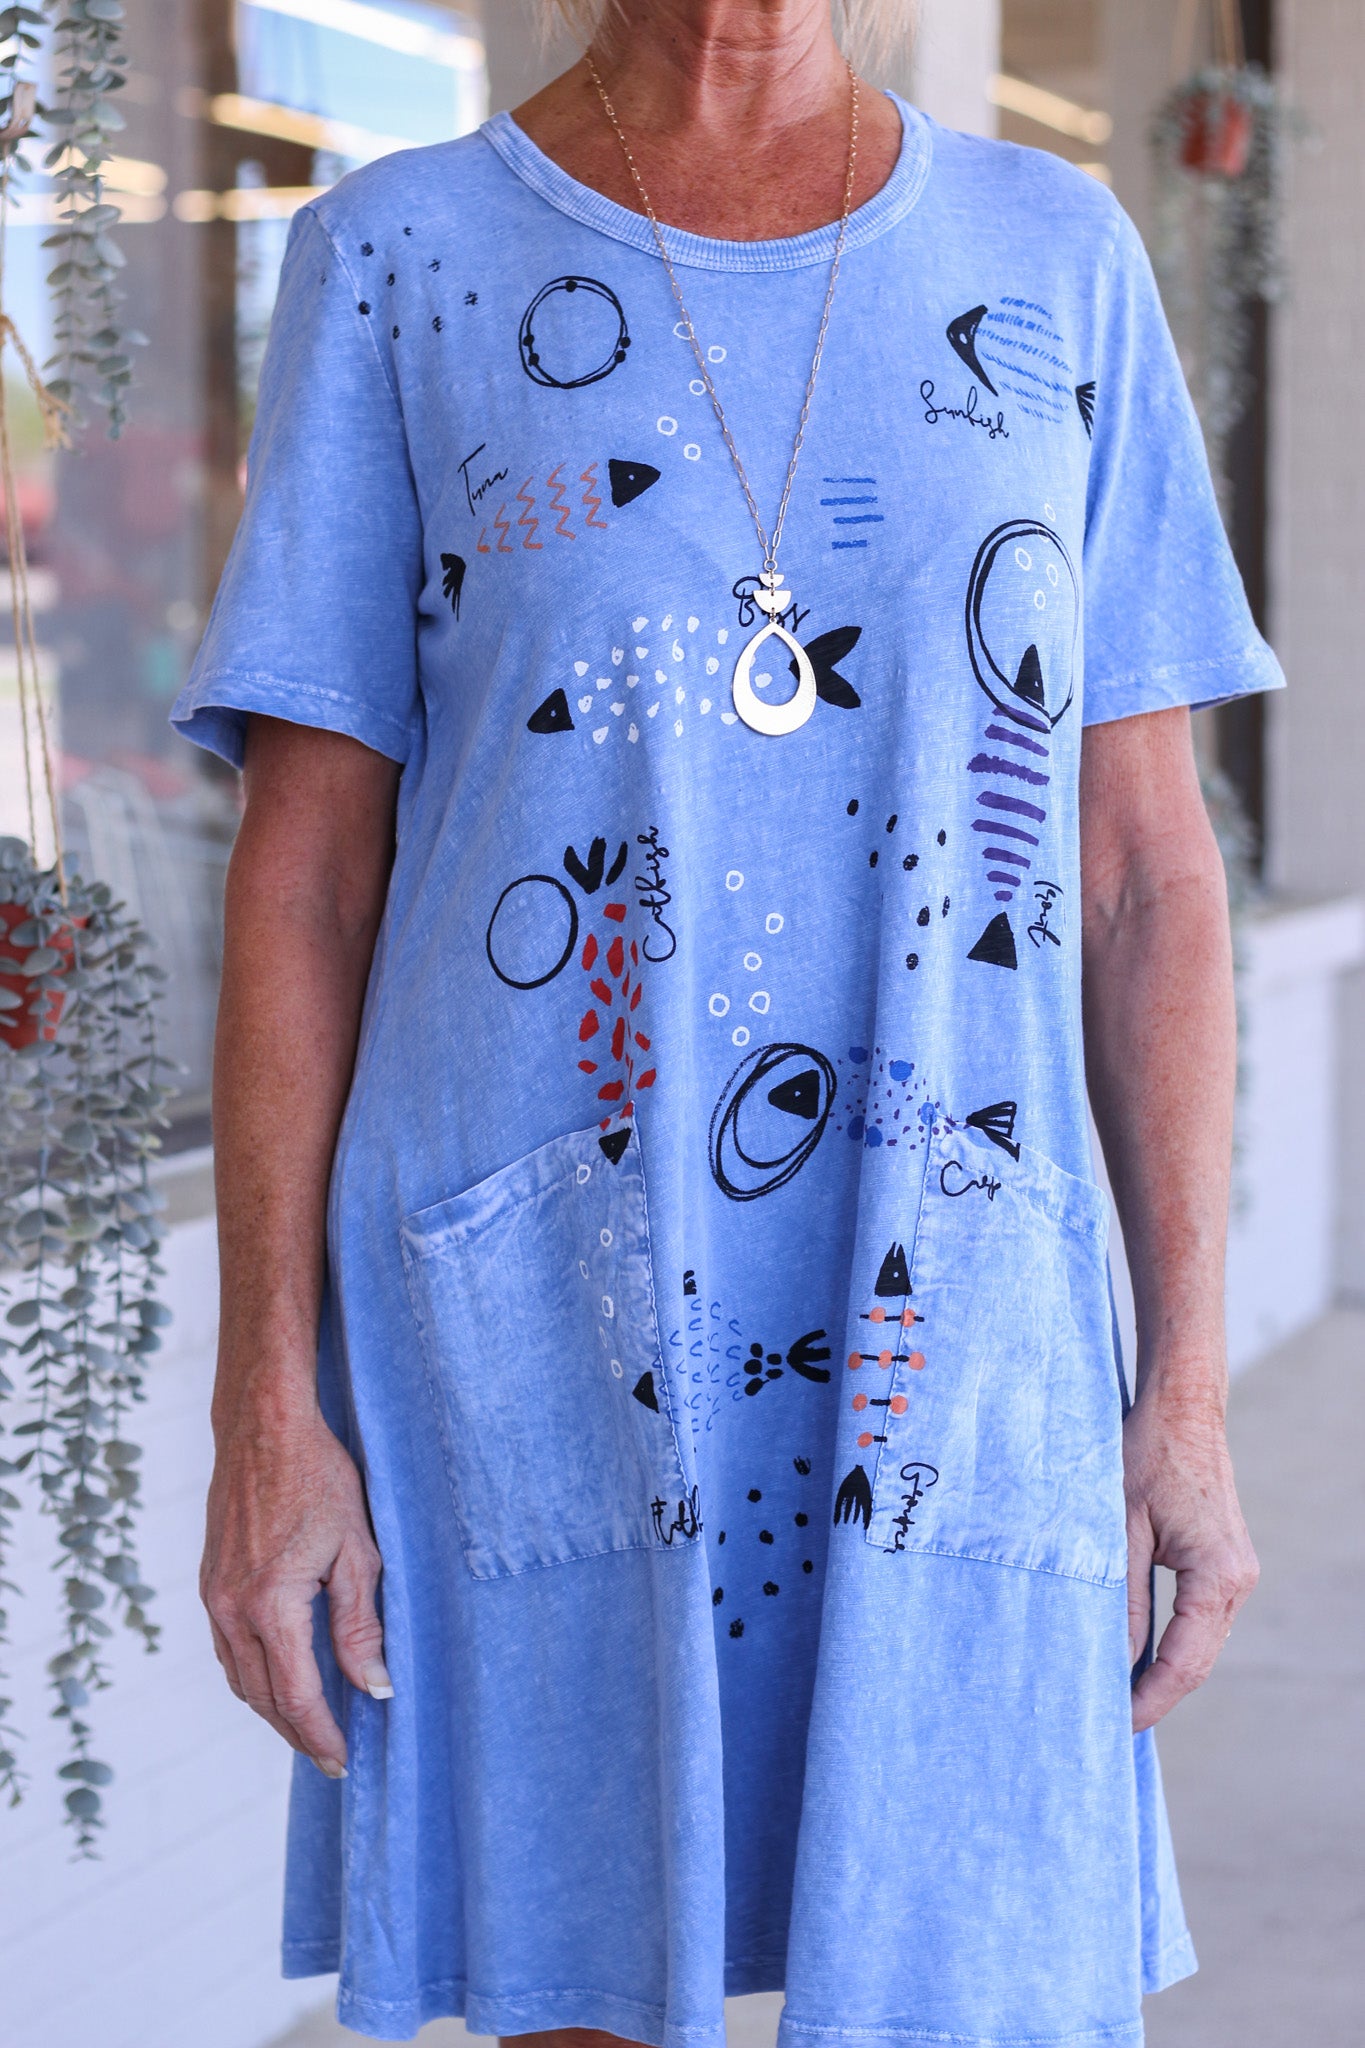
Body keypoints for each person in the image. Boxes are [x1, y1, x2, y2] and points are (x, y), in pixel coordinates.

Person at [171, 2, 1276, 2043]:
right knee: (581, 1979)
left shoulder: (1054, 260)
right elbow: (307, 876)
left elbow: (1144, 875)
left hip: (951, 1300)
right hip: (545, 1300)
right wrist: (264, 1408)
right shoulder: (402, 259)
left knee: (971, 1982)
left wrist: (1185, 1391)